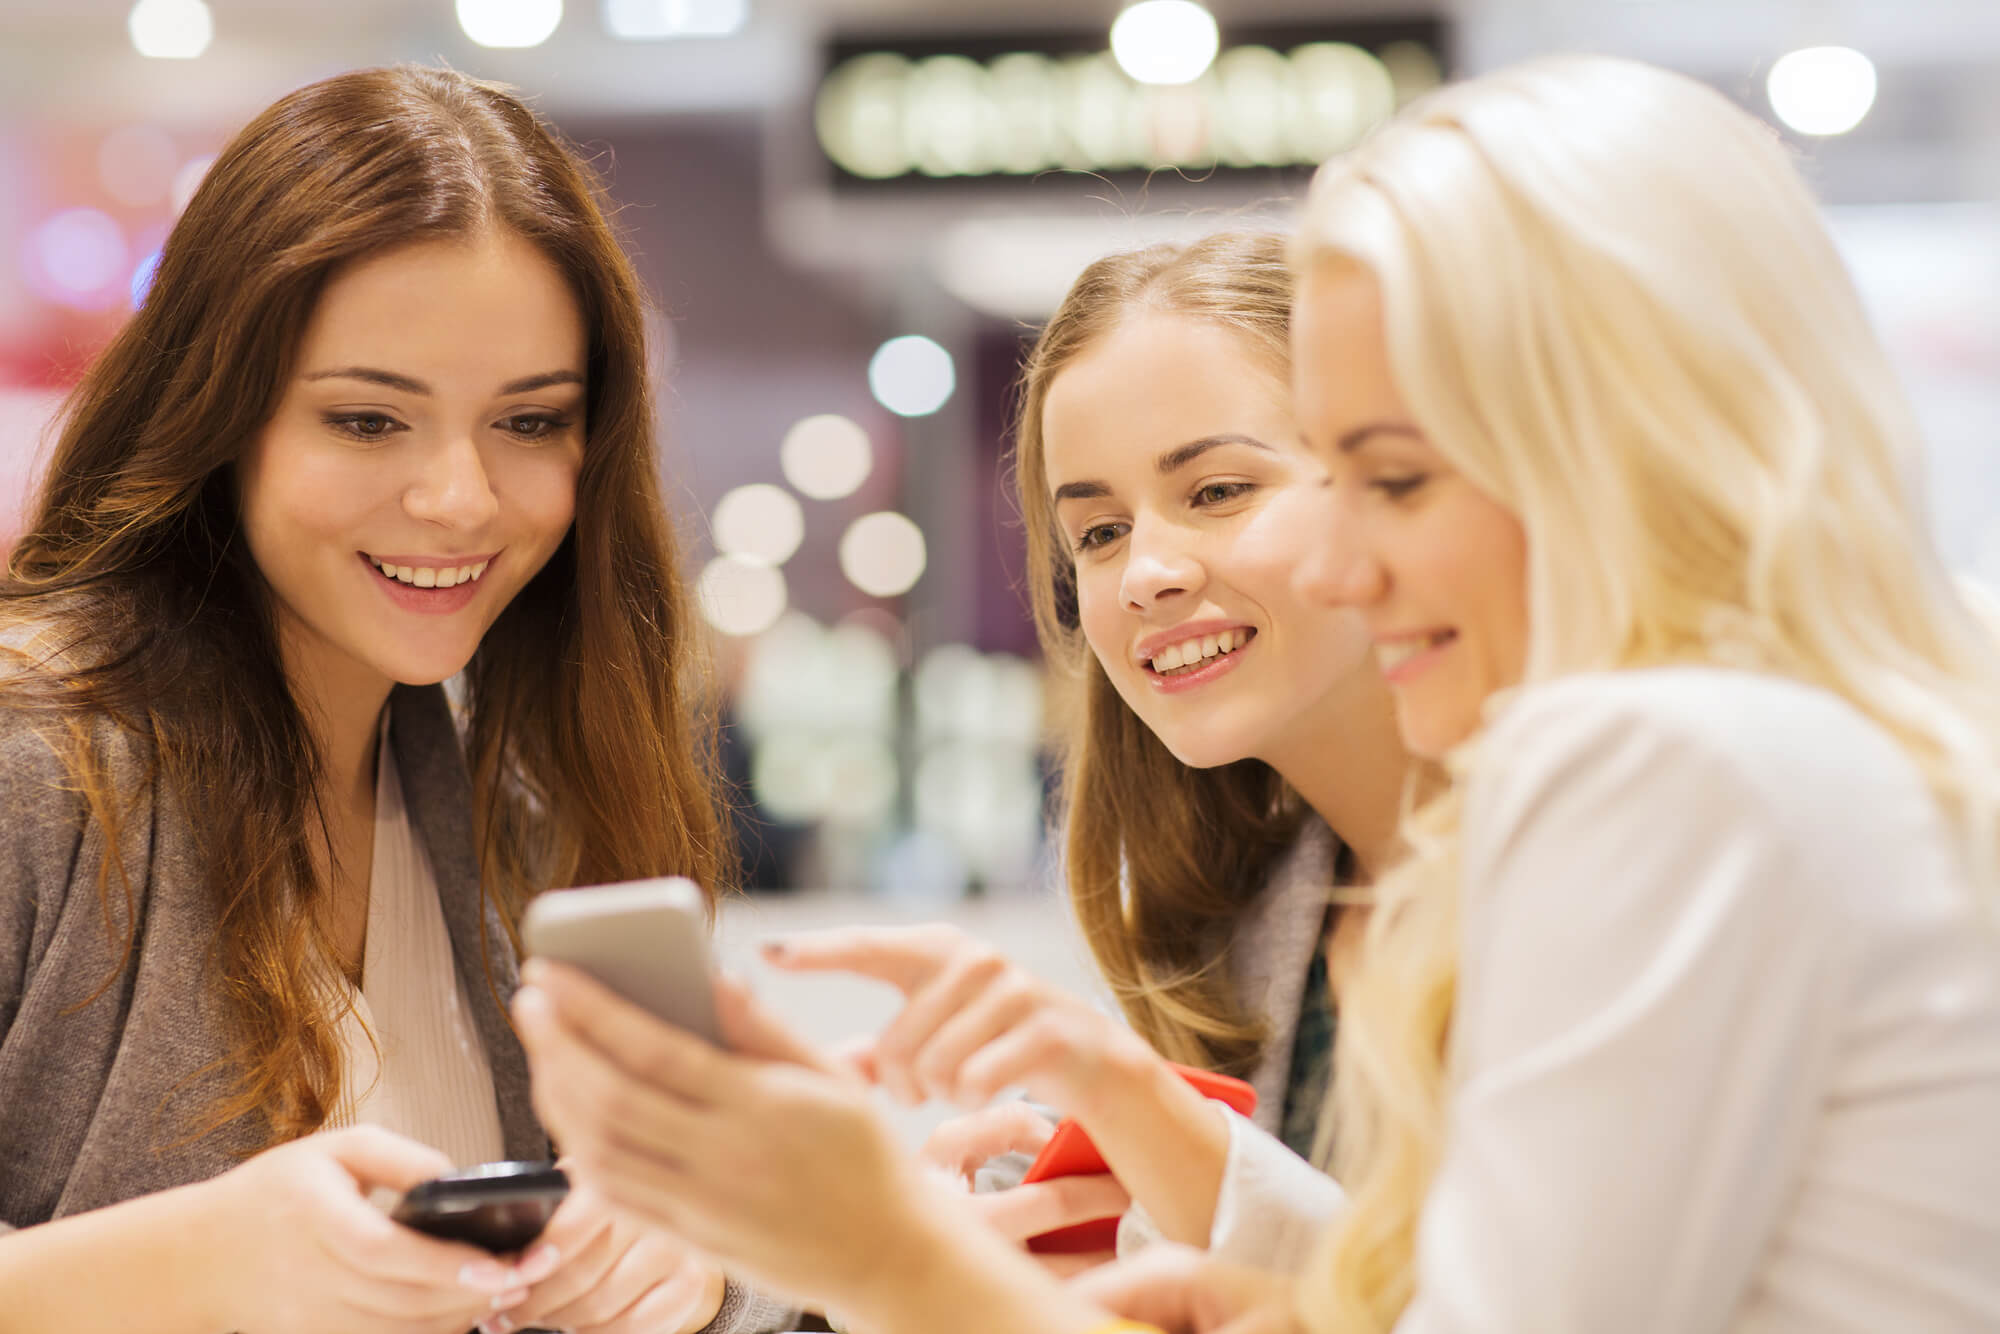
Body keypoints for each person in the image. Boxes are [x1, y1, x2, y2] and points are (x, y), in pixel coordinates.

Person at [519, 52, 2000, 1334]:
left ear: (1612, 443)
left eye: (1392, 476)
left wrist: (880, 1252)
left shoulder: (1665, 762)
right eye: (1095, 531)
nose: (1338, 556)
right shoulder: (1772, 748)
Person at [0, 64, 791, 1334]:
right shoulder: (33, 756)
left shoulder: (526, 796)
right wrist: (185, 1262)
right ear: (219, 411)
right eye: (369, 421)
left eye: (530, 423)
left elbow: (687, 1231)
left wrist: (693, 1273)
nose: (463, 498)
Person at [761, 232, 1420, 1268]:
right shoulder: (1225, 924)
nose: (1144, 571)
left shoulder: (1588, 860)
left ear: (1385, 479)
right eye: (1099, 532)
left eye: (1215, 491)